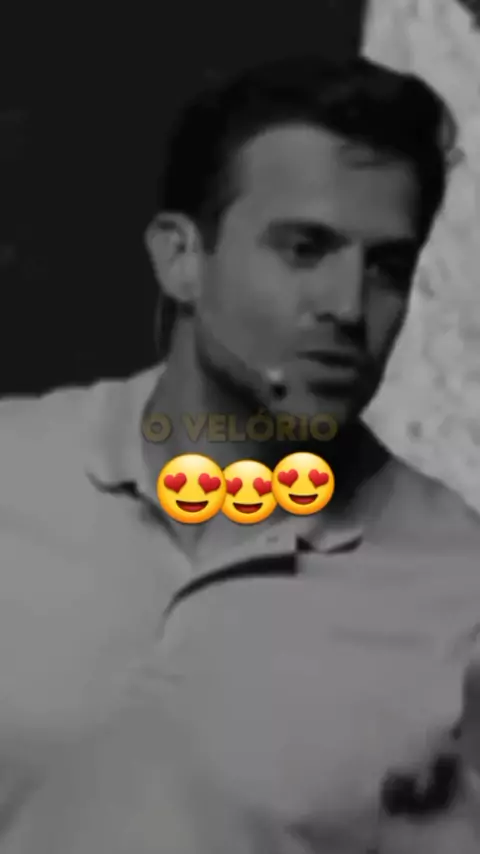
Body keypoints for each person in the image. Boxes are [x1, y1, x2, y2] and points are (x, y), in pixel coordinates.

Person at [0, 54, 480, 852]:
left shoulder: (458, 589)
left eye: (387, 268)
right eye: (305, 249)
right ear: (182, 259)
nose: (348, 305)